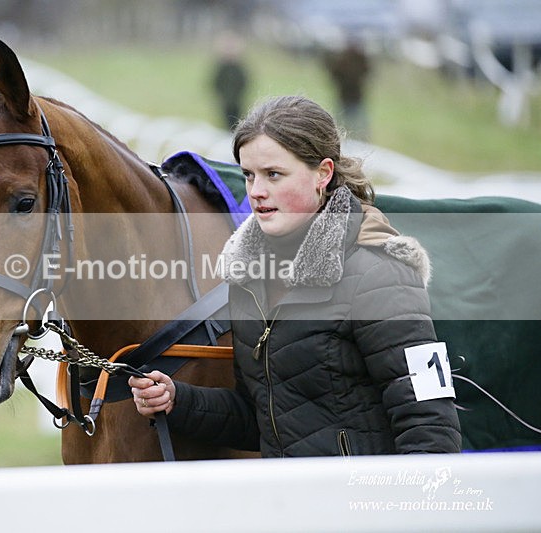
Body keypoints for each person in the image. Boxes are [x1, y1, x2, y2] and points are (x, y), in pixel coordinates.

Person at [129, 95, 462, 457]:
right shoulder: (247, 281)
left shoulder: (380, 273)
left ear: (323, 173)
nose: (256, 191)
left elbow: (431, 427)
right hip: (289, 505)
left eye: (274, 174)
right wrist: (178, 400)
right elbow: (265, 419)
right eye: (249, 175)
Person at [324, 38, 371, 140]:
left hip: (354, 98)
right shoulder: (342, 60)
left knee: (358, 125)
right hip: (345, 97)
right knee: (341, 125)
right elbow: (333, 74)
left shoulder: (359, 59)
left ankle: (361, 141)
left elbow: (366, 72)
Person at [211, 32, 249, 131]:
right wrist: (220, 95)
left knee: (237, 120)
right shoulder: (221, 67)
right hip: (225, 100)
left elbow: (244, 81)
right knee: (226, 121)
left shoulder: (238, 67)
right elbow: (216, 82)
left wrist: (240, 94)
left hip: (237, 101)